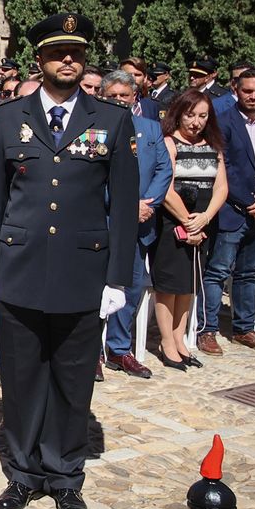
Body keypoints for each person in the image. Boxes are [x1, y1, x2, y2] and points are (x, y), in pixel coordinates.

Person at [0, 12, 137, 509]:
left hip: (82, 272)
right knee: (21, 378)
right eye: (57, 52)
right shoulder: (6, 118)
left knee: (73, 380)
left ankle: (66, 475)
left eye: (77, 52)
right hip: (20, 267)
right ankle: (23, 473)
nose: (69, 59)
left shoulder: (111, 120)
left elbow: (124, 203)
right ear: (39, 59)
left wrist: (118, 278)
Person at [199, 66, 255, 357]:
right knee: (217, 271)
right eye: (247, 90)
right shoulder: (222, 122)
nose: (253, 96)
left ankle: (244, 328)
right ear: (236, 89)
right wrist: (250, 201)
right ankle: (208, 329)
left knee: (249, 272)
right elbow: (222, 169)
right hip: (232, 210)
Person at [100, 70, 173, 379]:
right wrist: (128, 206)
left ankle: (118, 348)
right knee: (96, 287)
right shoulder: (94, 130)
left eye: (124, 96)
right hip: (104, 220)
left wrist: (148, 203)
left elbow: (163, 169)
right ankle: (90, 350)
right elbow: (92, 177)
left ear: (135, 97)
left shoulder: (150, 128)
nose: (119, 101)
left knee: (132, 285)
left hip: (140, 221)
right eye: (112, 96)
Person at [150, 89, 225, 370]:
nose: (196, 122)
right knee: (168, 286)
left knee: (189, 285)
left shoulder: (213, 145)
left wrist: (204, 218)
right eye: (191, 115)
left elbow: (221, 186)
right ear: (179, 114)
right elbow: (166, 189)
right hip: (174, 221)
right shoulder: (169, 143)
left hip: (203, 222)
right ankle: (166, 340)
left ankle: (181, 339)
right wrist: (187, 220)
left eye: (202, 116)